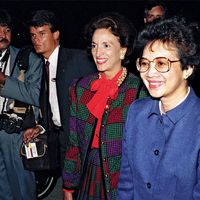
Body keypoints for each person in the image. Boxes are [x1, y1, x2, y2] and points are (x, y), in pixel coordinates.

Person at [62, 12, 148, 200]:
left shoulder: (140, 91)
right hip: (88, 174)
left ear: (123, 50)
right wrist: (68, 185)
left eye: (106, 46)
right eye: (94, 46)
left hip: (123, 180)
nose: (98, 53)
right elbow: (74, 143)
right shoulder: (80, 87)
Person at [117, 16, 200, 200]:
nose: (150, 73)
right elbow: (126, 184)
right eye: (145, 63)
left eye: (161, 63)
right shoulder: (136, 113)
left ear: (188, 68)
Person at [23, 10, 97, 170]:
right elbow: (52, 102)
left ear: (56, 34)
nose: (36, 39)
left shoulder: (78, 59)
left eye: (42, 33)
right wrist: (41, 126)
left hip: (83, 139)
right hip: (62, 139)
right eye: (33, 35)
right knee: (68, 186)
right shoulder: (42, 64)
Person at [0, 9, 43, 200]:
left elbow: (36, 95)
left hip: (14, 133)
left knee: (22, 188)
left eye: (6, 30)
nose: (3, 35)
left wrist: (3, 81)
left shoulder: (28, 57)